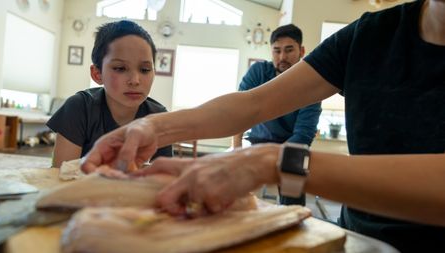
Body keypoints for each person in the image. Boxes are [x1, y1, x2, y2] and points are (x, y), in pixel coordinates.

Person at [81, 1, 445, 252]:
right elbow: (253, 104)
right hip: (358, 238)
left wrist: (271, 162)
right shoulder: (371, 35)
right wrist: (153, 127)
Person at [47, 20, 172, 168]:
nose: (135, 80)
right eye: (120, 68)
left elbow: (163, 181)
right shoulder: (78, 107)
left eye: (144, 70)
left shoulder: (159, 117)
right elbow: (62, 175)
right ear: (97, 74)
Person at [233, 24, 321, 206]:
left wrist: (271, 160)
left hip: (292, 146)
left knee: (293, 188)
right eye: (277, 51)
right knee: (233, 186)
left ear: (301, 50)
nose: (282, 57)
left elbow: (303, 135)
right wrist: (236, 148)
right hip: (256, 142)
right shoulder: (258, 72)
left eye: (289, 50)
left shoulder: (312, 85)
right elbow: (239, 109)